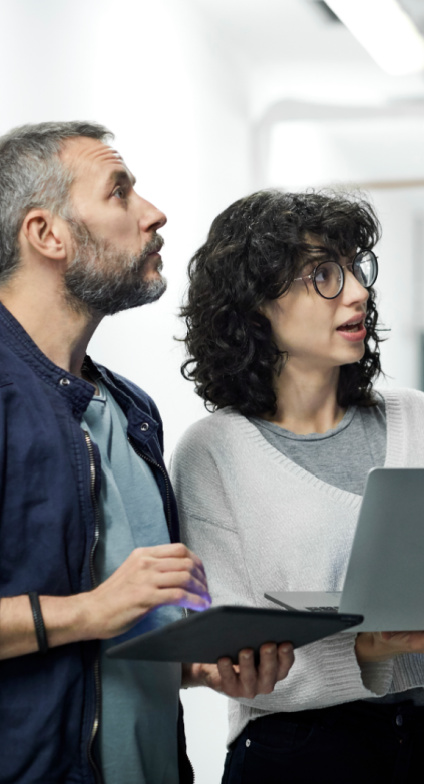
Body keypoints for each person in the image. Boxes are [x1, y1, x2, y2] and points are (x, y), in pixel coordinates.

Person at [171, 188, 424, 783]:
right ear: (255, 307)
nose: (358, 291)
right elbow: (239, 655)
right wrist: (368, 652)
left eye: (353, 269)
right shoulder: (213, 452)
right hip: (299, 752)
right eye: (323, 274)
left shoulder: (414, 415)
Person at [0, 121, 293, 784]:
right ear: (48, 235)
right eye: (121, 193)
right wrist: (86, 612)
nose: (154, 214)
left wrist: (197, 665)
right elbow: (95, 615)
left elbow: (115, 644)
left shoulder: (130, 410)